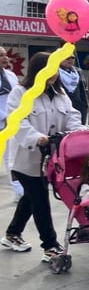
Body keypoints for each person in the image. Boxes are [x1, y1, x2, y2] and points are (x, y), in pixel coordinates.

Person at [0, 52, 85, 261]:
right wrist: (37, 138)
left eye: (56, 70)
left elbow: (72, 116)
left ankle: (12, 234)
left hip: (52, 159)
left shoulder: (59, 93)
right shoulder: (21, 93)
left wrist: (79, 131)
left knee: (31, 198)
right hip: (26, 160)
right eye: (50, 70)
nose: (54, 74)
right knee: (40, 199)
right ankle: (50, 245)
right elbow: (17, 121)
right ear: (38, 71)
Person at [0, 47, 24, 202]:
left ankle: (19, 191)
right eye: (1, 55)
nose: (5, 57)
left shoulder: (11, 75)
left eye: (5, 54)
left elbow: (17, 98)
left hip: (11, 123)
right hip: (3, 118)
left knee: (11, 157)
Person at [58, 54, 89, 124]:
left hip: (79, 108)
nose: (70, 59)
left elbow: (83, 89)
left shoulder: (78, 71)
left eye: (72, 58)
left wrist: (85, 105)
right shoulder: (55, 72)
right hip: (62, 108)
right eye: (67, 58)